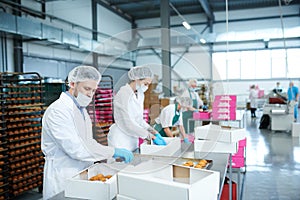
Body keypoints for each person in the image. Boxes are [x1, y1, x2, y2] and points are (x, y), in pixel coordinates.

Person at [41, 66, 133, 199]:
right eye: (87, 89)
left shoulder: (81, 110)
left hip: (81, 170)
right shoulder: (58, 111)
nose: (90, 94)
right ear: (72, 84)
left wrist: (107, 155)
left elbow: (88, 141)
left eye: (94, 90)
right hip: (63, 173)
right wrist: (112, 151)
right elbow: (76, 148)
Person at [107, 66, 166, 152]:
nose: (147, 87)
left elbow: (139, 120)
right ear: (137, 79)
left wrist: (153, 131)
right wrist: (149, 136)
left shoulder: (140, 94)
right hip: (120, 138)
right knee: (119, 164)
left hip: (133, 138)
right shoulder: (123, 93)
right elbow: (126, 123)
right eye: (145, 84)